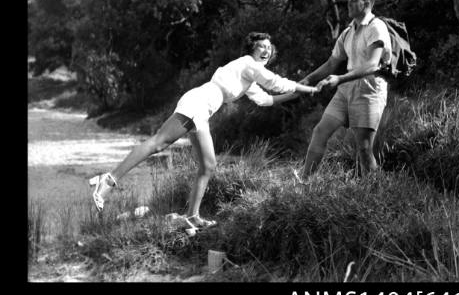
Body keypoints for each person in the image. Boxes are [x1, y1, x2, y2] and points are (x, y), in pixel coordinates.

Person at [89, 32, 320, 228]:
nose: (266, 51)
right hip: (198, 101)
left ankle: (192, 216)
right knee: (159, 142)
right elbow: (276, 83)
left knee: (208, 165)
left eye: (269, 48)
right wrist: (306, 88)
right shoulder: (249, 64)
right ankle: (108, 181)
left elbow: (266, 99)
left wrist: (299, 92)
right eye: (261, 46)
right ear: (252, 49)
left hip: (204, 110)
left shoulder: (249, 78)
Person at [295, 0, 392, 180]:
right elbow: (331, 63)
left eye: (353, 1)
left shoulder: (376, 28)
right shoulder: (348, 32)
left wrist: (339, 78)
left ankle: (376, 192)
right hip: (346, 90)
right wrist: (307, 80)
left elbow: (373, 65)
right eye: (347, 1)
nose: (347, 5)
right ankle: (304, 183)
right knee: (320, 131)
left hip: (369, 91)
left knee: (364, 149)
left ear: (366, 3)